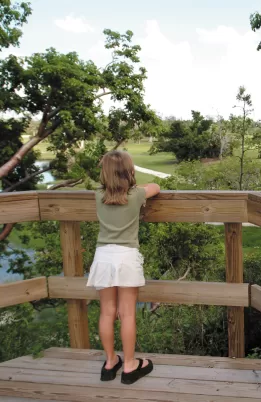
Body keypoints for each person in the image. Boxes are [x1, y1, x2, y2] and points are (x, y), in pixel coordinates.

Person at [86, 150, 160, 385]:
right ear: (130, 171)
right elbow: (156, 186)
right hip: (127, 257)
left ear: (104, 172)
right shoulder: (136, 195)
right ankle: (129, 365)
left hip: (103, 256)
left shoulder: (98, 195)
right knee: (127, 313)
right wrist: (138, 184)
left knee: (107, 312)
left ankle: (110, 363)